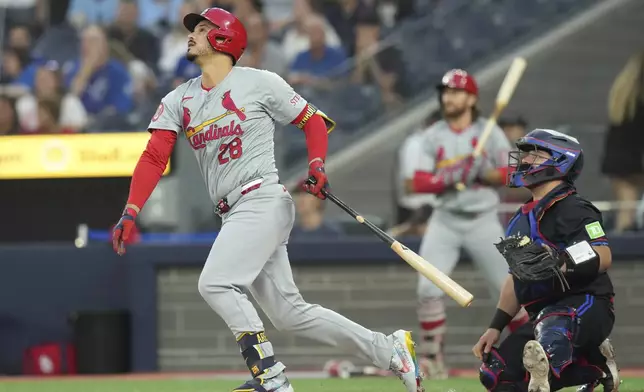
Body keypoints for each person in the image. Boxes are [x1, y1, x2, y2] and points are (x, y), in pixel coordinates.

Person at [110, 8, 424, 392]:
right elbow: (154, 157)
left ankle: (271, 378)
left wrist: (317, 164)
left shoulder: (259, 83)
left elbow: (312, 120)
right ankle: (389, 350)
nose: (192, 34)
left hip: (261, 199)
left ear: (224, 38)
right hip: (234, 213)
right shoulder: (180, 98)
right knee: (290, 314)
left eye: (203, 29)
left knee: (215, 284)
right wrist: (131, 210)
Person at [472, 128, 619, 392]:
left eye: (535, 154)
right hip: (540, 316)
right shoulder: (517, 220)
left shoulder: (574, 207)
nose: (525, 160)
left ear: (561, 161)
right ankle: (594, 367)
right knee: (495, 375)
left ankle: (576, 360)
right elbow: (514, 278)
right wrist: (495, 327)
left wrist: (560, 262)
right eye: (525, 154)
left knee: (552, 334)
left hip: (586, 303)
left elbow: (602, 255)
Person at [407, 69, 529, 380]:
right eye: (446, 92)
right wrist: (449, 176)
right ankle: (433, 359)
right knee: (427, 289)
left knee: (511, 290)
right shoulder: (434, 134)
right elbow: (416, 182)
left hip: (482, 220)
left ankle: (527, 355)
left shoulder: (490, 132)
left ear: (471, 98)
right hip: (445, 219)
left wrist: (483, 172)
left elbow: (514, 174)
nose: (449, 97)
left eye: (456, 91)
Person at [601, 52, 644, 233]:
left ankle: (621, 251)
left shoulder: (623, 93)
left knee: (626, 211)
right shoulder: (640, 100)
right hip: (635, 160)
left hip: (616, 161)